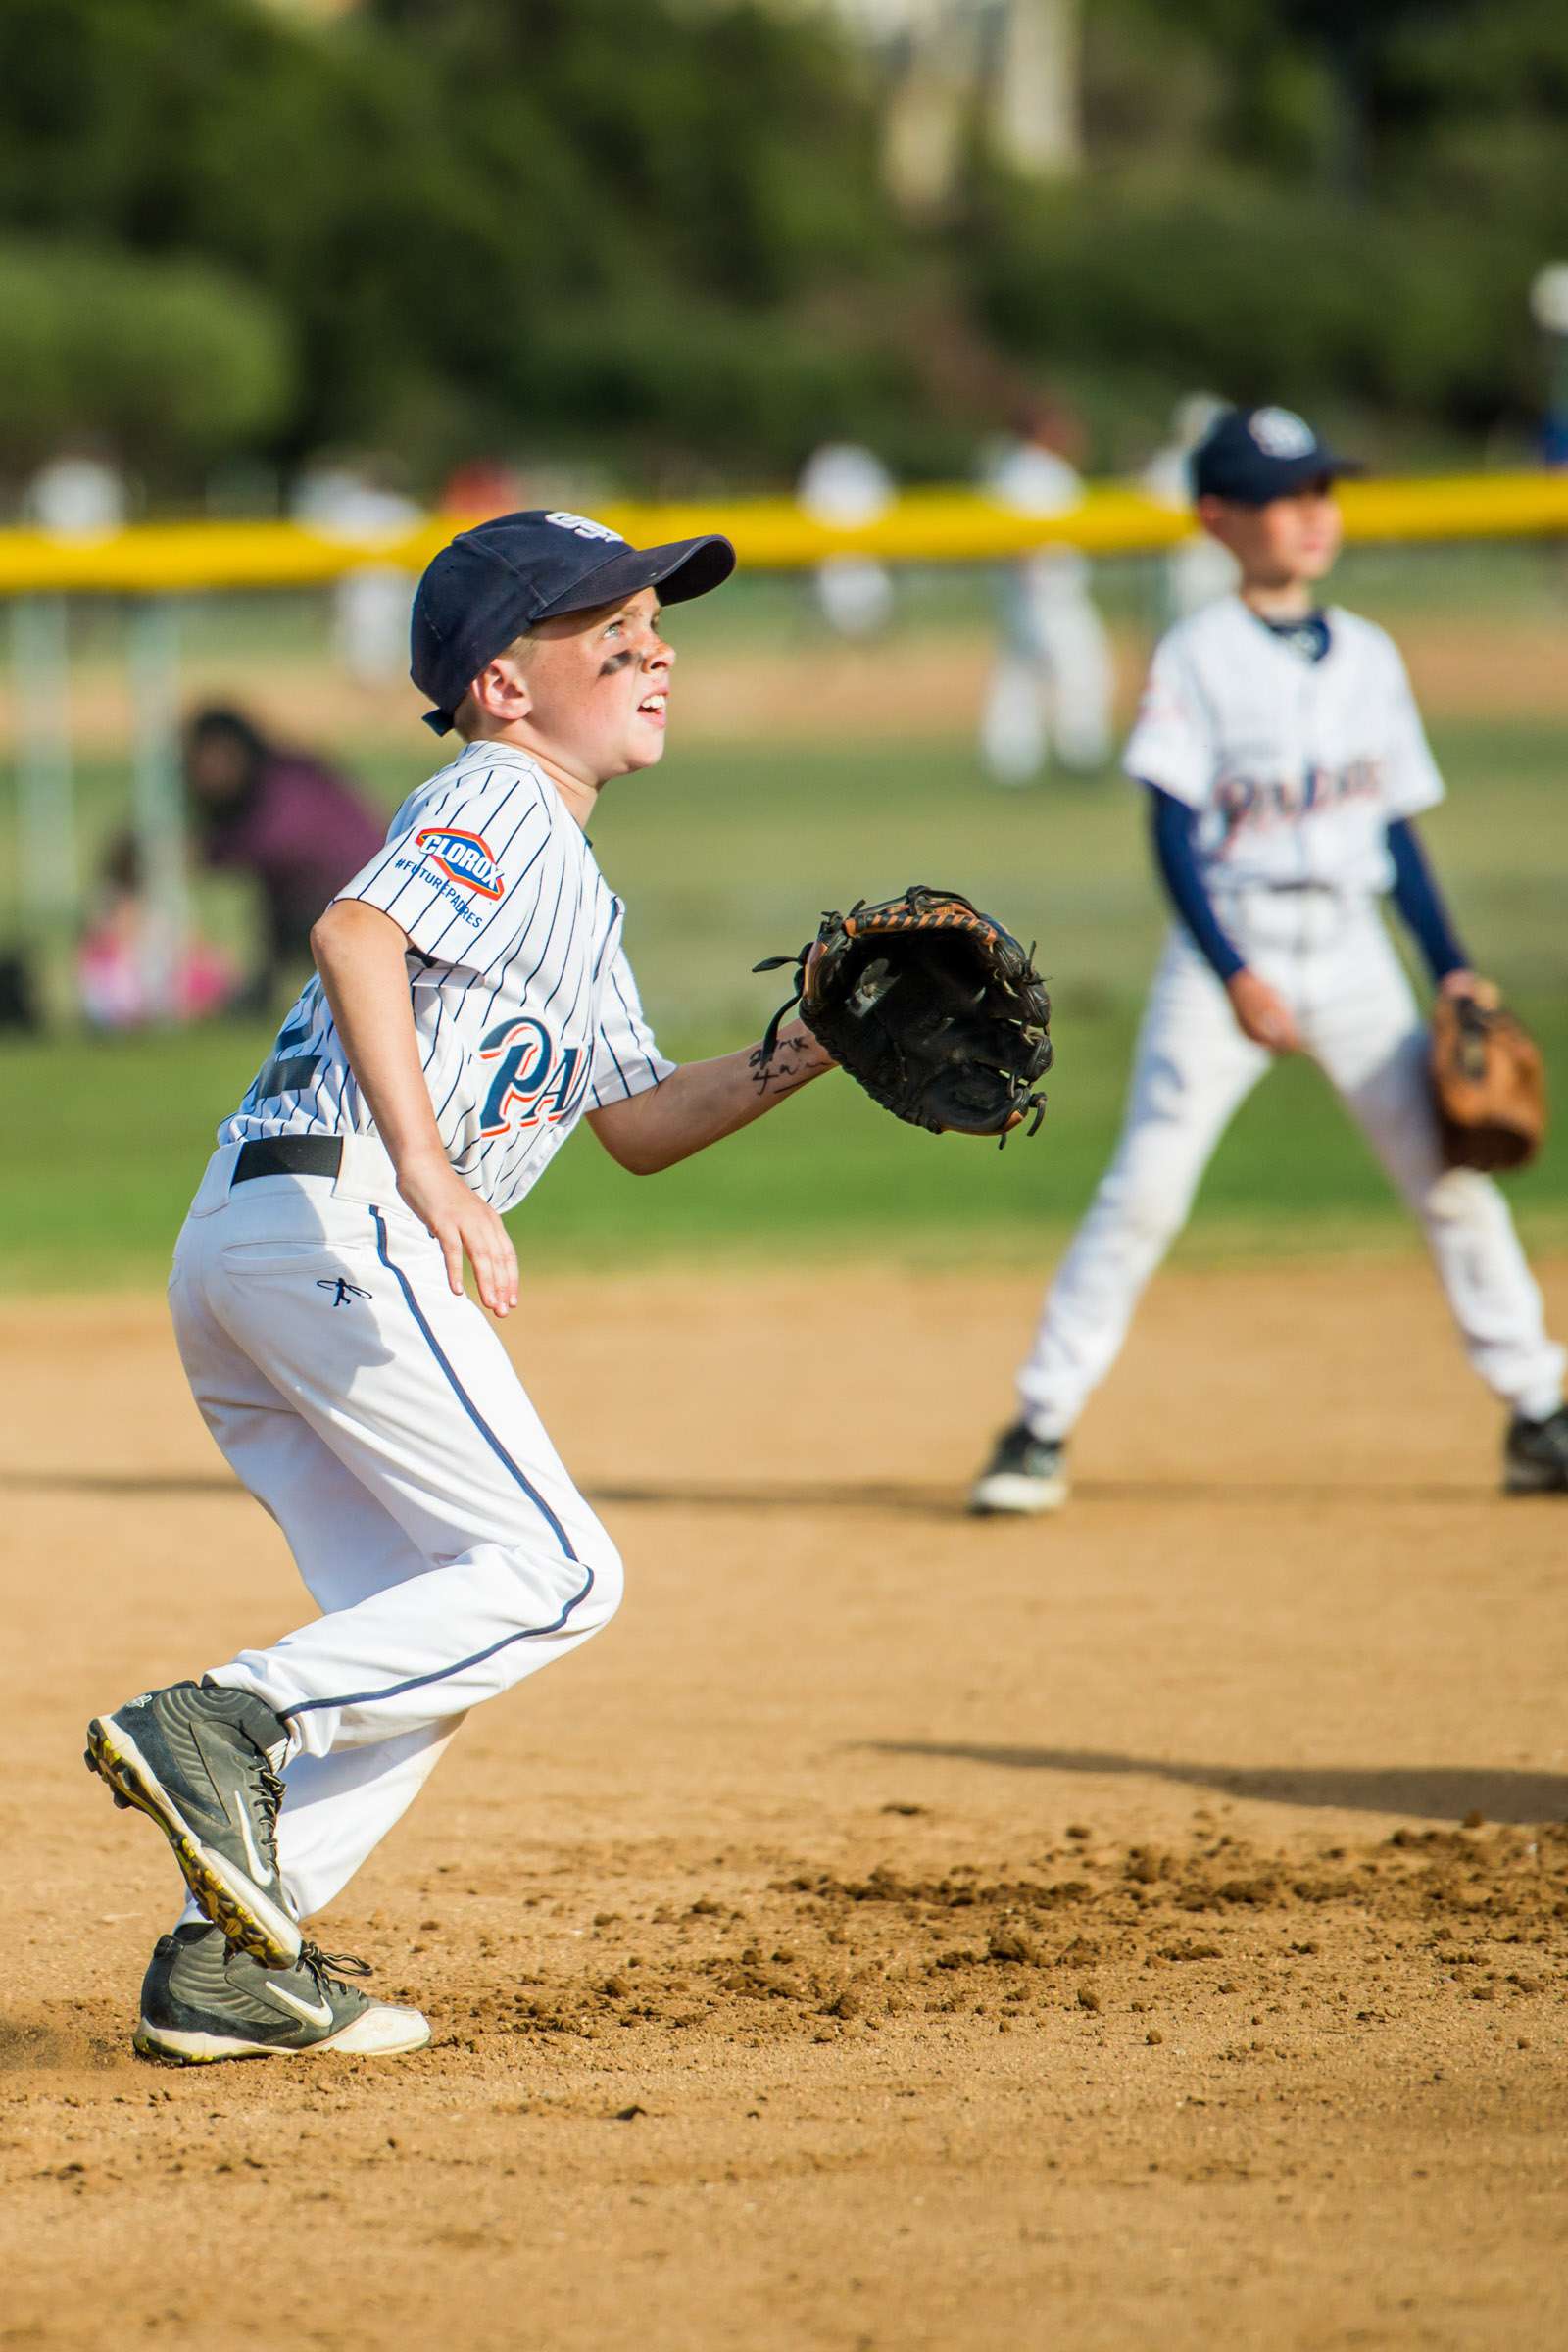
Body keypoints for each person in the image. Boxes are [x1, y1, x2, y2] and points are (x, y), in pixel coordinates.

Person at [84, 509, 837, 2063]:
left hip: (254, 1241)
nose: (657, 653)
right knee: (561, 1576)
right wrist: (432, 1181)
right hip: (347, 1221)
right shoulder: (499, 795)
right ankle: (231, 1718)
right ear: (503, 685)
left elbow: (632, 1125)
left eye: (657, 629)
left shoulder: (567, 877)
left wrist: (817, 1045)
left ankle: (231, 1960)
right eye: (612, 637)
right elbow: (354, 933)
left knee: (430, 1622)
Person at [970, 404, 1568, 1515]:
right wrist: (1233, 970)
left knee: (1448, 1177)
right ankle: (1036, 1424)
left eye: (1319, 494)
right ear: (1217, 519)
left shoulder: (1370, 657)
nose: (1310, 517)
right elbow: (1169, 828)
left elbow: (1393, 830)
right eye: (1283, 498)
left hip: (1350, 954)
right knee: (1145, 1190)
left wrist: (1449, 966)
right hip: (1228, 953)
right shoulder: (1197, 655)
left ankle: (1538, 1410)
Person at [183, 707, 388, 1011]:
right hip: (336, 892)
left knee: (288, 912)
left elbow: (280, 842)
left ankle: (269, 999)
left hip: (356, 894)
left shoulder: (285, 782)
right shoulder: (283, 777)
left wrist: (207, 853)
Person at [978, 398, 1114, 785]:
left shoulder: (1013, 469)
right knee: (1080, 669)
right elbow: (1021, 539)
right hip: (1045, 592)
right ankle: (1079, 752)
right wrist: (1028, 580)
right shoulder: (1038, 473)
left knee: (1020, 676)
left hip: (1030, 593)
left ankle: (1012, 759)